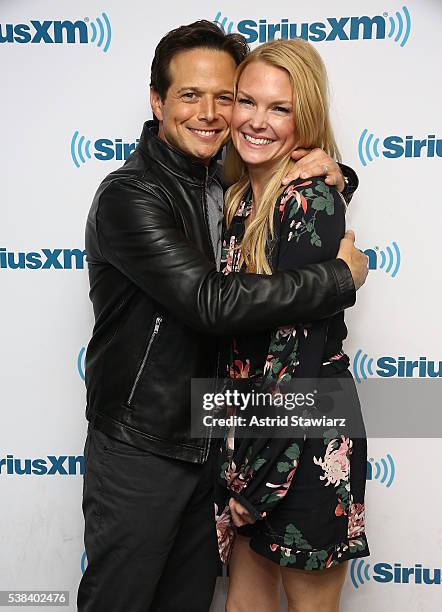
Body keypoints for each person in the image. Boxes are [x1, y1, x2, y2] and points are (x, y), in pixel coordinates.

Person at [77, 21, 368, 612]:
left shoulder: (226, 185)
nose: (214, 113)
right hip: (146, 443)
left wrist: (336, 177)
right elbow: (212, 303)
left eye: (225, 97)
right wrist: (341, 277)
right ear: (157, 101)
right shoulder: (132, 195)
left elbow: (296, 203)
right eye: (189, 95)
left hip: (228, 440)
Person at [215, 39, 369, 612]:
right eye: (245, 101)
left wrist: (261, 479)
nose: (257, 121)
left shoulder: (309, 201)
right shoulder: (234, 200)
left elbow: (296, 359)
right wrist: (238, 459)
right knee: (244, 604)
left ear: (304, 116)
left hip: (302, 437)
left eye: (279, 108)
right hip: (246, 432)